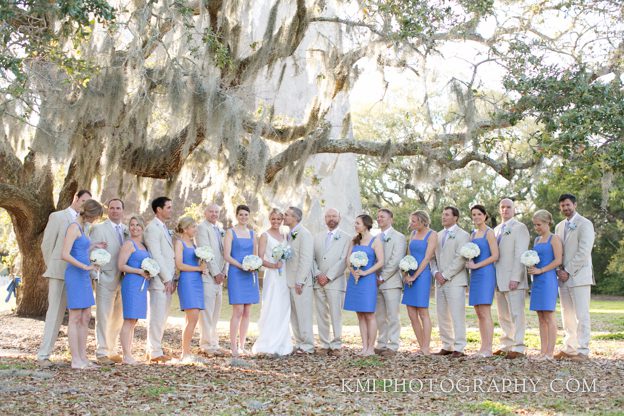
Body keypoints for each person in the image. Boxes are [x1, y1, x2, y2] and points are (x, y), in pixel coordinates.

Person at [37, 189, 92, 368]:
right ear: (75, 198)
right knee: (55, 313)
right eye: (83, 200)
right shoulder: (58, 217)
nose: (84, 205)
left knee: (81, 315)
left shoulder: (85, 224)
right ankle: (44, 354)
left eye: (88, 203)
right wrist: (52, 266)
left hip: (79, 275)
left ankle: (78, 356)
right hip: (60, 272)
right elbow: (47, 244)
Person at [61, 199, 105, 369]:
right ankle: (75, 360)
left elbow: (80, 248)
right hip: (75, 274)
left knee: (86, 316)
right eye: (96, 216)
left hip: (84, 275)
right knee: (75, 317)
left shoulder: (83, 228)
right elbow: (65, 254)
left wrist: (94, 245)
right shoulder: (73, 227)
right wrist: (85, 266)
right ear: (90, 213)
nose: (95, 220)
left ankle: (83, 357)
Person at [554, 194, 595, 362]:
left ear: (575, 205)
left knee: (581, 314)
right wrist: (558, 270)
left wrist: (568, 270)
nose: (566, 208)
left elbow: (584, 251)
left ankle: (583, 350)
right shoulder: (559, 226)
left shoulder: (585, 224)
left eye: (568, 205)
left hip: (579, 276)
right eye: (563, 205)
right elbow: (557, 251)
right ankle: (570, 348)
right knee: (567, 314)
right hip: (562, 277)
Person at [90, 198, 127, 365]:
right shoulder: (98, 228)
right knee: (103, 316)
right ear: (108, 210)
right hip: (105, 277)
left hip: (124, 279)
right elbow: (92, 252)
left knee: (118, 317)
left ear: (122, 210)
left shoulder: (127, 230)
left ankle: (111, 349)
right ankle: (101, 352)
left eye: (118, 208)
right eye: (112, 208)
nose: (115, 211)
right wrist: (96, 275)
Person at [252, 208, 293, 356]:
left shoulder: (285, 234)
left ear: (282, 220)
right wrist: (274, 265)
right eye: (273, 219)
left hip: (284, 276)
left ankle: (283, 341)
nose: (276, 222)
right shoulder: (264, 235)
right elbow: (260, 258)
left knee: (283, 307)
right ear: (270, 219)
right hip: (273, 275)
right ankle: (268, 342)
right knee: (272, 305)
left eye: (278, 219)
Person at [493, 198, 530, 359]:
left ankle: (519, 346)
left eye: (508, 207)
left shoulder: (519, 228)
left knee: (516, 314)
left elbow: (520, 254)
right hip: (498, 278)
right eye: (502, 207)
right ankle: (506, 344)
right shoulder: (496, 229)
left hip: (514, 278)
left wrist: (516, 277)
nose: (505, 210)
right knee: (503, 315)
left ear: (514, 209)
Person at [430, 206, 470, 358]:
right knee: (442, 314)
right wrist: (435, 273)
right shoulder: (437, 235)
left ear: (455, 218)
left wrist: (445, 275)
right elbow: (431, 258)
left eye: (447, 215)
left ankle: (459, 347)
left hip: (455, 281)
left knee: (457, 314)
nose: (443, 217)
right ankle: (447, 345)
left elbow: (460, 258)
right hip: (439, 281)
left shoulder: (463, 235)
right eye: (442, 214)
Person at [344, 214, 385, 356]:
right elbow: (347, 260)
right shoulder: (354, 241)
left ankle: (371, 348)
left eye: (357, 223)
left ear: (366, 224)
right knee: (360, 314)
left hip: (367, 281)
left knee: (369, 314)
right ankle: (364, 347)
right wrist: (353, 271)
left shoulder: (375, 241)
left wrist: (365, 272)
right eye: (355, 223)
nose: (355, 226)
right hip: (355, 280)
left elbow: (380, 261)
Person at [223, 204, 259, 357]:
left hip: (250, 275)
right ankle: (233, 347)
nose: (243, 217)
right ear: (236, 216)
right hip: (237, 274)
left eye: (246, 215)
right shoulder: (230, 232)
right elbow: (227, 255)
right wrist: (242, 266)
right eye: (241, 215)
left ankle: (243, 345)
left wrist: (253, 266)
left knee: (247, 311)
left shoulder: (253, 234)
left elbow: (256, 255)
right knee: (238, 310)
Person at [312, 208, 350, 356]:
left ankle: (336, 345)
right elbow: (312, 258)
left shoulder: (347, 238)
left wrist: (328, 276)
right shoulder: (317, 237)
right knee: (321, 314)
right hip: (318, 281)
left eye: (334, 215)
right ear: (324, 219)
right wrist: (318, 274)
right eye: (328, 216)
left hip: (335, 281)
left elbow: (344, 260)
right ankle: (324, 343)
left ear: (339, 218)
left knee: (335, 314)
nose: (331, 218)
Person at [143, 196, 176, 363]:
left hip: (168, 279)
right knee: (156, 316)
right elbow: (156, 255)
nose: (171, 210)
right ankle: (154, 351)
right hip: (159, 281)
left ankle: (156, 348)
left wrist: (172, 278)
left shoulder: (163, 227)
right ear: (159, 210)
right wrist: (166, 279)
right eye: (168, 207)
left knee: (162, 316)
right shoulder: (152, 228)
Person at [528, 210, 563, 361]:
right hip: (536, 280)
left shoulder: (554, 239)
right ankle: (542, 352)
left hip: (548, 279)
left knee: (549, 315)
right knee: (540, 317)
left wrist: (541, 270)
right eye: (535, 225)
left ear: (548, 223)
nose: (537, 228)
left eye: (539, 224)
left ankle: (550, 353)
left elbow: (558, 261)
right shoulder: (536, 240)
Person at [402, 211, 437, 356]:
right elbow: (409, 256)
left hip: (422, 276)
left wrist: (415, 276)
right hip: (410, 274)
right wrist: (405, 272)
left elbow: (427, 258)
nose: (412, 224)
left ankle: (426, 347)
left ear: (423, 221)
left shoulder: (432, 234)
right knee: (411, 313)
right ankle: (421, 345)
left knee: (423, 312)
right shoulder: (413, 234)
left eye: (414, 221)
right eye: (411, 221)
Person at [118, 216, 151, 365]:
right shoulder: (129, 244)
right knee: (129, 319)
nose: (135, 227)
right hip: (131, 283)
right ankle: (126, 355)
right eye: (132, 225)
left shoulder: (144, 245)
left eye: (138, 225)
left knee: (134, 320)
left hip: (142, 285)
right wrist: (138, 271)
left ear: (142, 227)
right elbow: (121, 266)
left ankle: (129, 353)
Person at [466, 205, 499, 358]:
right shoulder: (472, 235)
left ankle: (488, 348)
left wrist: (477, 265)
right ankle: (482, 347)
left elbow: (495, 256)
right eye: (474, 214)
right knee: (478, 312)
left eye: (479, 214)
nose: (476, 217)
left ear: (485, 216)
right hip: (475, 275)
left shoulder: (489, 233)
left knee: (485, 311)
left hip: (485, 274)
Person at [196, 203, 227, 356]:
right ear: (205, 213)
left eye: (217, 211)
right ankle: (206, 344)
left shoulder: (220, 229)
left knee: (216, 312)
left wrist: (224, 272)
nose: (214, 214)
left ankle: (214, 342)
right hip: (209, 275)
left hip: (220, 276)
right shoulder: (202, 228)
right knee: (207, 311)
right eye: (211, 211)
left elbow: (226, 252)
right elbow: (206, 251)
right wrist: (216, 273)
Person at [174, 217, 207, 363]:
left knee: (190, 319)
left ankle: (186, 351)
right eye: (193, 227)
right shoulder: (180, 243)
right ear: (185, 228)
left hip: (197, 281)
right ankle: (185, 353)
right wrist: (198, 268)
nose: (195, 229)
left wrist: (203, 261)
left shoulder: (193, 244)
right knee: (192, 318)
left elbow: (195, 261)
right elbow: (180, 265)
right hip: (187, 281)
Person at [374, 208, 406, 357]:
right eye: (378, 217)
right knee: (380, 315)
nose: (380, 219)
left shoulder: (399, 237)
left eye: (383, 217)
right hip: (376, 282)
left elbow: (396, 260)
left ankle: (393, 345)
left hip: (391, 282)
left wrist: (382, 277)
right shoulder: (376, 237)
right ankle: (382, 343)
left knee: (393, 315)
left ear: (391, 219)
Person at [283, 207, 315, 354]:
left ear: (295, 218)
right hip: (288, 280)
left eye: (286, 215)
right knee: (294, 315)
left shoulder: (304, 234)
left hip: (300, 282)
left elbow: (306, 259)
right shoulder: (289, 234)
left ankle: (308, 345)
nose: (284, 217)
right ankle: (299, 343)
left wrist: (300, 281)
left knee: (304, 314)